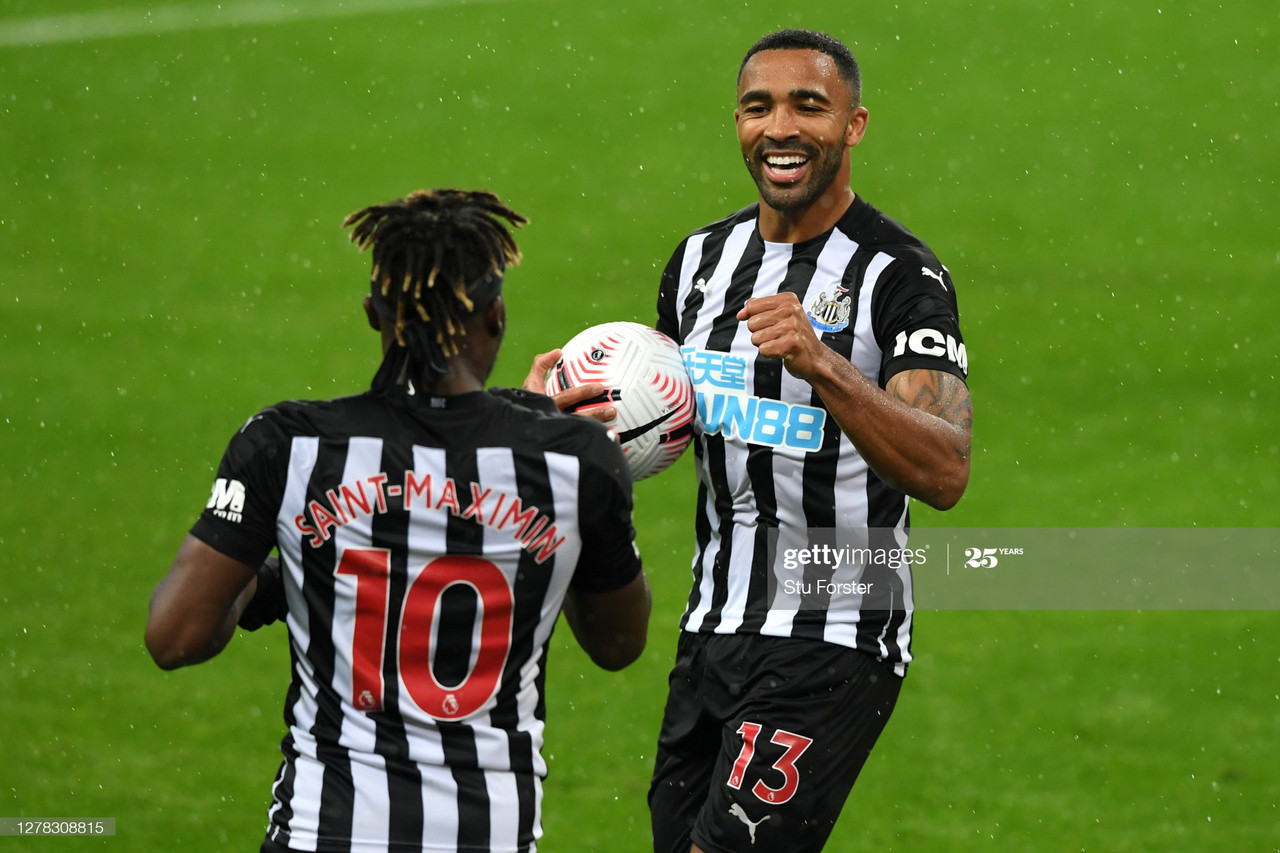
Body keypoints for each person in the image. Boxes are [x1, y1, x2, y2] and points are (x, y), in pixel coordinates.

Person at [145, 188, 651, 853]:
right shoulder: (574, 462)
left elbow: (176, 636)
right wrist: (538, 442)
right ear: (495, 316)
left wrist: (281, 576)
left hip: (322, 832)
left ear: (370, 315)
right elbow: (617, 644)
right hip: (487, 836)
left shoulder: (287, 445)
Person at [645, 29, 973, 852]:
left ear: (854, 125)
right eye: (759, 107)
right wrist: (567, 405)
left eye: (808, 106)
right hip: (713, 628)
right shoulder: (697, 264)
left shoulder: (900, 275)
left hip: (835, 632)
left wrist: (822, 361)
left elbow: (944, 467)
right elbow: (654, 419)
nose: (780, 128)